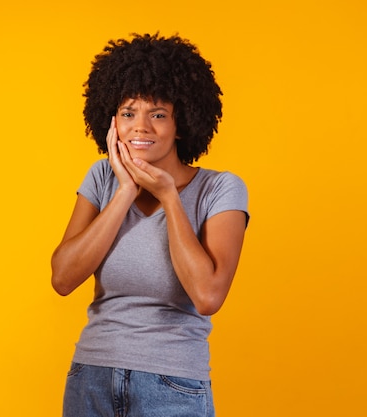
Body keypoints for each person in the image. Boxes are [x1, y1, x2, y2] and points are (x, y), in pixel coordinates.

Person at [51, 33, 249, 417]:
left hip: (172, 385)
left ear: (182, 122)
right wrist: (125, 191)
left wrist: (170, 197)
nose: (140, 127)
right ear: (111, 122)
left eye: (157, 114)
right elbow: (63, 278)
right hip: (91, 376)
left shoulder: (220, 189)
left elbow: (208, 296)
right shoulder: (102, 179)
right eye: (128, 113)